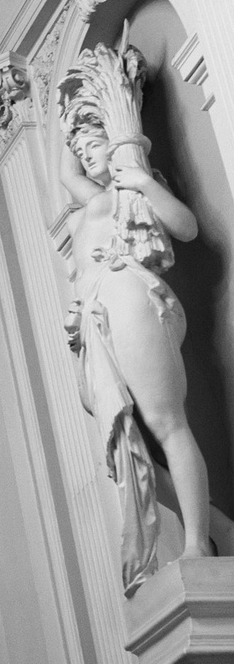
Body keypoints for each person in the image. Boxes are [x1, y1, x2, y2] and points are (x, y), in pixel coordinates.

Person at [60, 37, 211, 582]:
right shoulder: (87, 203)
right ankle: (212, 524)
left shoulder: (131, 189)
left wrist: (140, 171)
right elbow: (67, 175)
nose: (84, 156)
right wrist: (74, 108)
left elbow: (187, 228)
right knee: (130, 443)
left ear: (114, 143)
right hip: (93, 319)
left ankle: (198, 543)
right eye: (80, 149)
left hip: (129, 296)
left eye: (92, 145)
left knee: (166, 422)